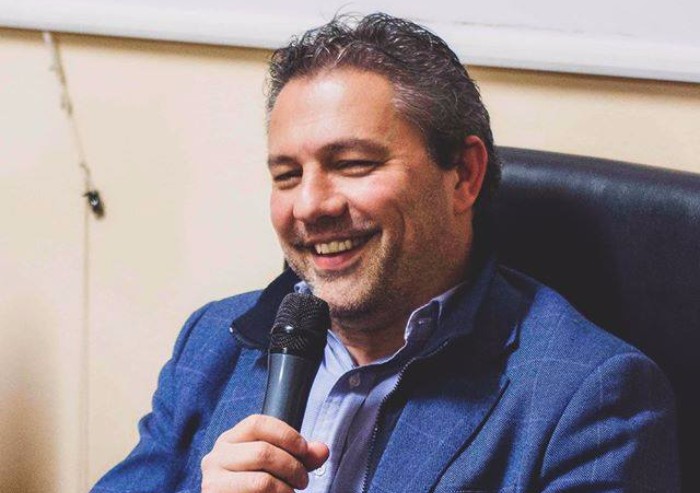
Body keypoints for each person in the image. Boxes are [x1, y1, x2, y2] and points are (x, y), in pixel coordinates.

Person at [92, 13, 680, 493]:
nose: (310, 205)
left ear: (464, 175)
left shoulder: (591, 399)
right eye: (287, 175)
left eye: (353, 164)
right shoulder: (212, 342)